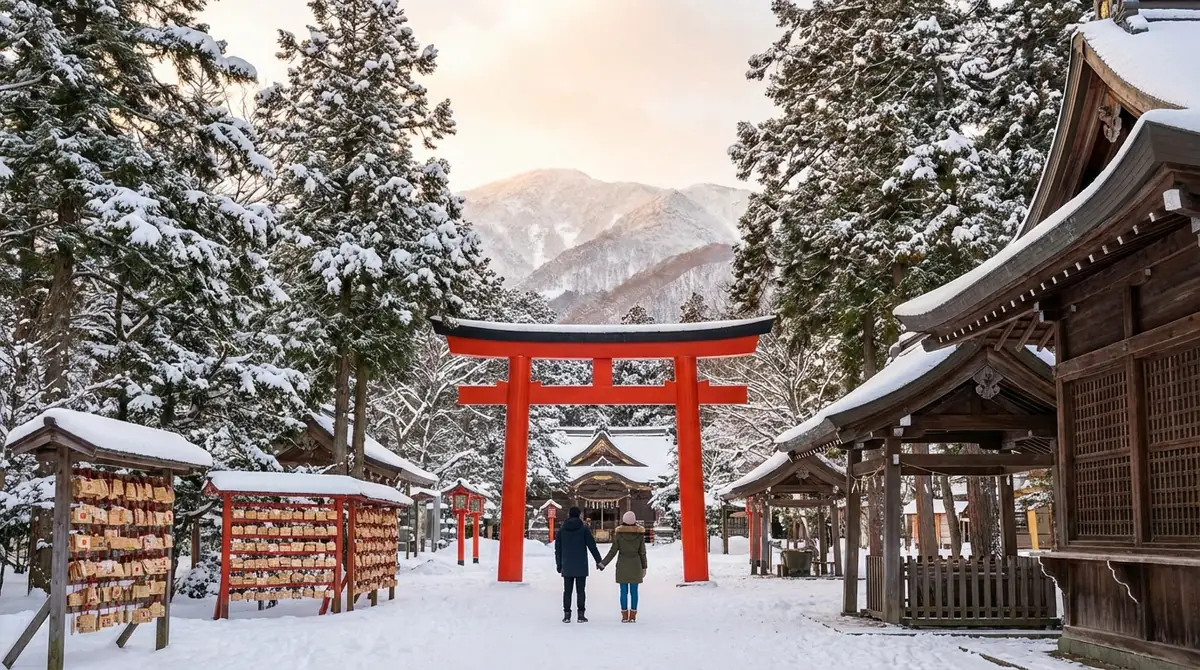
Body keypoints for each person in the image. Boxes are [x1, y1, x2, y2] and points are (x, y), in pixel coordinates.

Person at [555, 506, 603, 623]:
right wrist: (599, 561)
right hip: (581, 564)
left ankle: (567, 615)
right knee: (581, 591)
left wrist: (559, 565)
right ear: (579, 515)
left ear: (569, 515)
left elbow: (558, 549)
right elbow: (592, 546)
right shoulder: (584, 529)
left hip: (567, 564)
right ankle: (581, 615)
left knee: (567, 591)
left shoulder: (562, 530)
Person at [600, 511, 647, 623]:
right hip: (636, 565)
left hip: (622, 564)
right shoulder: (639, 535)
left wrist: (603, 563)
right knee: (634, 591)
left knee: (623, 591)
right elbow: (642, 552)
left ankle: (624, 615)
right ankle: (633, 615)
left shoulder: (619, 535)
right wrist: (644, 567)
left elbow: (613, 552)